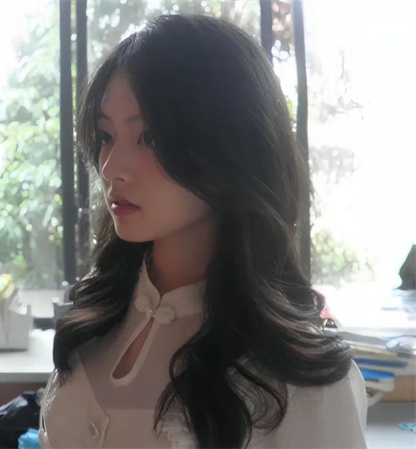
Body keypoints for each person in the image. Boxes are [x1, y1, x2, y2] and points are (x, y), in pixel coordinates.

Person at [39, 14, 368, 449]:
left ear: (231, 146)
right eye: (105, 135)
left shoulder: (300, 381)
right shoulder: (95, 320)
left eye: (148, 137)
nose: (111, 168)